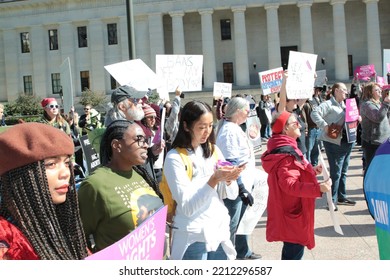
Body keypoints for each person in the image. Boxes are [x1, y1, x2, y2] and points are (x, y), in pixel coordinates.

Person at [162, 100, 244, 260]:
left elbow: (232, 195)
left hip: (218, 231)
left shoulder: (213, 150)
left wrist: (229, 179)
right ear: (186, 126)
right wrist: (213, 180)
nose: (207, 132)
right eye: (201, 127)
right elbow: (188, 207)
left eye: (210, 126)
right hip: (192, 235)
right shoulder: (175, 158)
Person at [0, 122, 89, 260]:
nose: (65, 173)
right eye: (51, 164)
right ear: (21, 177)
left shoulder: (63, 221)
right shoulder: (5, 239)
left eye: (66, 163)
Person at [77, 120, 164, 253]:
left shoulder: (140, 174)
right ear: (117, 145)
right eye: (139, 140)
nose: (146, 145)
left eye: (146, 140)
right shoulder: (95, 185)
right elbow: (78, 237)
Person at [260, 111, 331, 260]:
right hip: (293, 212)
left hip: (292, 210)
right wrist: (317, 188)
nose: (300, 125)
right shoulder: (286, 154)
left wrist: (311, 171)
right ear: (286, 129)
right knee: (293, 253)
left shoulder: (286, 148)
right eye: (295, 123)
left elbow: (295, 171)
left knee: (292, 250)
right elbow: (289, 185)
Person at [216, 96, 266, 260]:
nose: (248, 113)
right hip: (235, 187)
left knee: (241, 221)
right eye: (246, 110)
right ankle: (227, 258)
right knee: (231, 224)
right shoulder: (229, 131)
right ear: (238, 111)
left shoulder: (234, 127)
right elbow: (231, 163)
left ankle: (241, 251)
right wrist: (242, 188)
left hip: (243, 183)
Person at [311, 82, 356, 209]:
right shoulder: (328, 104)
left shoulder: (346, 105)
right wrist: (325, 126)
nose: (346, 92)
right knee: (336, 172)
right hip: (333, 142)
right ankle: (332, 201)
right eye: (343, 90)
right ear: (336, 91)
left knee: (344, 171)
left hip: (346, 141)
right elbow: (314, 114)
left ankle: (341, 196)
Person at [360, 82, 390, 175]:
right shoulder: (367, 105)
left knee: (382, 169)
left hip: (383, 141)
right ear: (370, 92)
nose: (380, 91)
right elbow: (377, 118)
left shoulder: (378, 103)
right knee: (372, 169)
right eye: (376, 90)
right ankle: (368, 188)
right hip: (372, 143)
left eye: (379, 89)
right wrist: (386, 103)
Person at [302, 87, 324, 166]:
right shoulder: (305, 102)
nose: (318, 91)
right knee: (309, 150)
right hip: (311, 128)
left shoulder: (316, 100)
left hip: (318, 128)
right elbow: (304, 117)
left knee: (316, 150)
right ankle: (308, 167)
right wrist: (306, 128)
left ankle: (314, 166)